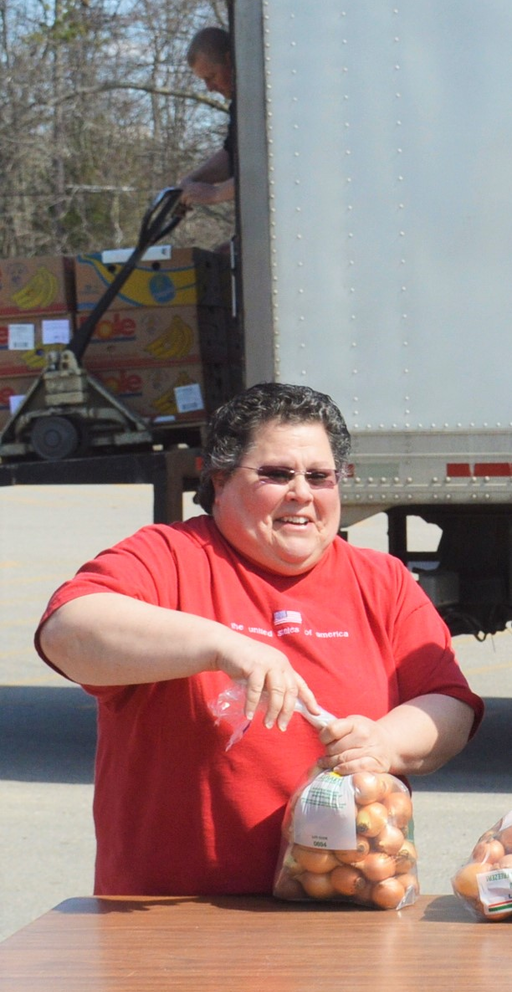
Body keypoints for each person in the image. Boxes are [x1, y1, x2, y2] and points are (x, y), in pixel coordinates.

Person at [35, 383, 483, 895]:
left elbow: (451, 706)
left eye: (320, 477)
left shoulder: (382, 580)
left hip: (345, 905)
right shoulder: (169, 556)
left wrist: (384, 743)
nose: (302, 493)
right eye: (276, 474)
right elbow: (67, 632)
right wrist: (221, 645)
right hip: (174, 917)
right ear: (220, 479)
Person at [178, 27, 237, 210]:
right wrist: (192, 181)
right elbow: (232, 156)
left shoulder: (262, 103)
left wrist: (217, 194)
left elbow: (264, 166)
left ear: (229, 61)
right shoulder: (240, 107)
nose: (209, 88)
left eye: (211, 77)